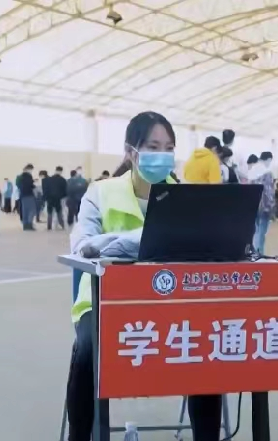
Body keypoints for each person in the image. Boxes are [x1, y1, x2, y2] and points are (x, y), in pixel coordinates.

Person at [68, 111, 221, 441]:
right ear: (131, 151)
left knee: (208, 344)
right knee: (88, 347)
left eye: (169, 148)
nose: (162, 155)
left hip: (173, 300)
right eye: (153, 146)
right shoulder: (99, 193)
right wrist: (145, 239)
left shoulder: (186, 198)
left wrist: (117, 244)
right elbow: (82, 246)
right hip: (104, 302)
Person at [248, 151, 276, 254]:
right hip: (264, 205)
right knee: (262, 230)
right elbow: (269, 191)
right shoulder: (267, 172)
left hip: (252, 204)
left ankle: (254, 251)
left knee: (255, 230)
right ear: (268, 159)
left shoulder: (251, 170)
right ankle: (260, 252)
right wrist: (272, 206)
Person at [42, 166, 67, 230]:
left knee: (50, 212)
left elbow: (46, 189)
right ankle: (62, 225)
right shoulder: (62, 180)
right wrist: (62, 196)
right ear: (61, 171)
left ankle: (49, 226)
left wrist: (45, 198)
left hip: (50, 198)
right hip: (58, 198)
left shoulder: (49, 179)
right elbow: (65, 191)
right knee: (59, 212)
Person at [17, 164, 36, 231]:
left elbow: (19, 185)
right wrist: (34, 185)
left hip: (22, 195)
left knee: (25, 211)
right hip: (29, 195)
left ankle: (25, 226)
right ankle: (29, 224)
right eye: (31, 169)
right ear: (29, 169)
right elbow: (29, 185)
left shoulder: (20, 176)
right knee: (32, 210)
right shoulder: (28, 176)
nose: (31, 171)